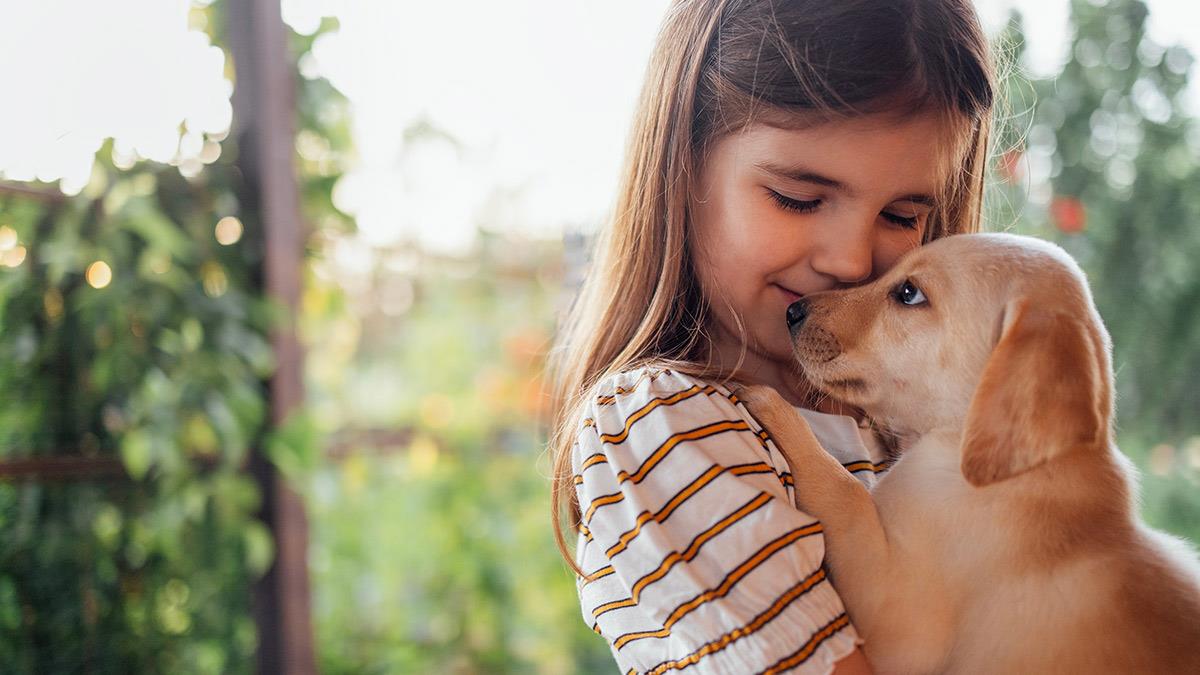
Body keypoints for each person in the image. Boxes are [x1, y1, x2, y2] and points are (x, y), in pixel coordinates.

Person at [547, 0, 995, 672]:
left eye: (901, 215)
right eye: (797, 198)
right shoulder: (660, 424)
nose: (849, 260)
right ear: (683, 163)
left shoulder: (899, 426)